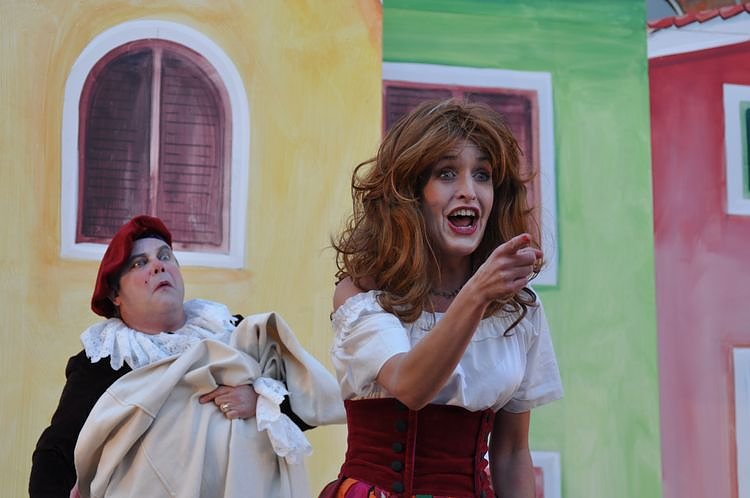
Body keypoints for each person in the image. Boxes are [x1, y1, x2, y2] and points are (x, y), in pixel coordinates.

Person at [321, 99, 563, 498]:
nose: (468, 191)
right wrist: (478, 293)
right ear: (411, 193)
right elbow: (411, 386)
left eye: (482, 175)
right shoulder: (365, 296)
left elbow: (511, 453)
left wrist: (485, 292)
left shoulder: (517, 308)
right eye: (447, 174)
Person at [30, 215, 344, 498]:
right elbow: (56, 453)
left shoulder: (231, 331)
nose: (158, 266)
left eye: (165, 256)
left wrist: (260, 401)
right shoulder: (106, 359)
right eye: (139, 263)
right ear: (115, 295)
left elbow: (309, 402)